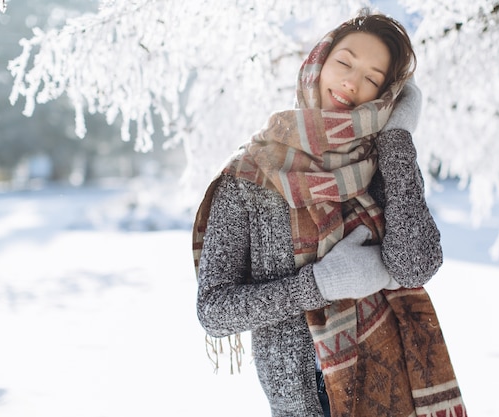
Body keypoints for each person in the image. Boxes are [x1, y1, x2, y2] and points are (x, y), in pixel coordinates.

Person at [193, 8, 467, 417]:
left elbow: (414, 265)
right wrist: (320, 284)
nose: (352, 83)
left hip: (395, 389)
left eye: (373, 79)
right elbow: (214, 310)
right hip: (305, 404)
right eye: (344, 63)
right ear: (317, 64)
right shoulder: (251, 175)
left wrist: (397, 137)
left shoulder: (383, 163)